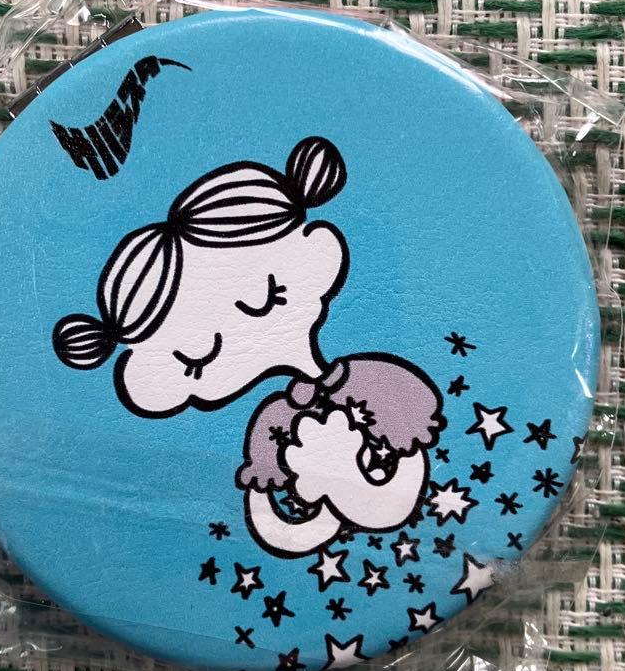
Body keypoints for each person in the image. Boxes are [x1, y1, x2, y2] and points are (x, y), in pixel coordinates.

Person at [54, 137, 444, 556]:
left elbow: (405, 404)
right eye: (199, 353)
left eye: (267, 292)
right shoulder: (279, 418)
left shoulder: (362, 381)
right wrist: (271, 471)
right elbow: (265, 465)